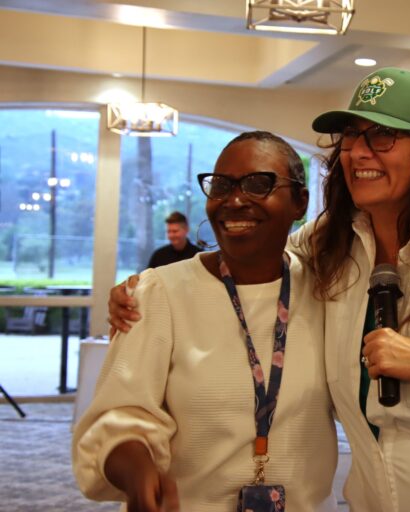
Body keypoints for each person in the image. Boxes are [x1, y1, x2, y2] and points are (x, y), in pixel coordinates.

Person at [109, 67, 410, 511]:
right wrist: (151, 287)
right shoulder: (330, 245)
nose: (359, 151)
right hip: (381, 497)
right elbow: (251, 249)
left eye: (382, 135)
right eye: (351, 136)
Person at [74, 131, 338, 512]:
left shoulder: (327, 292)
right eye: (222, 185)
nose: (234, 199)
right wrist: (138, 473)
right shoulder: (161, 292)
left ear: (300, 201)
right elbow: (120, 416)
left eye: (258, 184)